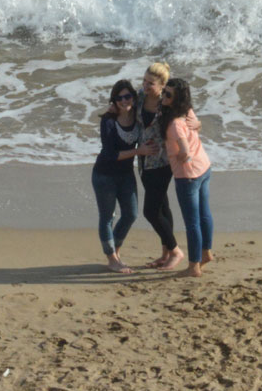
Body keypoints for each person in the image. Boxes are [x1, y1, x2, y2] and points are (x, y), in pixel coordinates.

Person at [136, 62, 198, 271]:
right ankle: (165, 254)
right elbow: (122, 106)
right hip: (143, 161)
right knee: (162, 206)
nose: (145, 86)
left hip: (163, 162)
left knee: (151, 211)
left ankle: (175, 251)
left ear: (163, 85)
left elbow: (189, 115)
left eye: (150, 83)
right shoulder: (140, 97)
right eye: (144, 81)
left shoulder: (168, 101)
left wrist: (197, 123)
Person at [92, 78, 157, 273]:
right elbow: (110, 155)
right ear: (114, 101)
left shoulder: (137, 116)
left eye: (127, 96)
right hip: (104, 175)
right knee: (107, 217)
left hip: (126, 175)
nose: (124, 101)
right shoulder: (108, 121)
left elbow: (152, 97)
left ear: (133, 98)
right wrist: (139, 151)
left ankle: (115, 251)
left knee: (131, 214)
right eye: (119, 98)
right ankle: (112, 259)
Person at [159, 78, 215, 277]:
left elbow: (184, 150)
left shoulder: (175, 123)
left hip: (188, 175)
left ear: (177, 99)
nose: (163, 96)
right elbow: (196, 127)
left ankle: (193, 266)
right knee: (204, 214)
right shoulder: (188, 111)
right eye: (164, 91)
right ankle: (206, 253)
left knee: (192, 222)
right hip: (204, 167)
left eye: (168, 94)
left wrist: (177, 157)